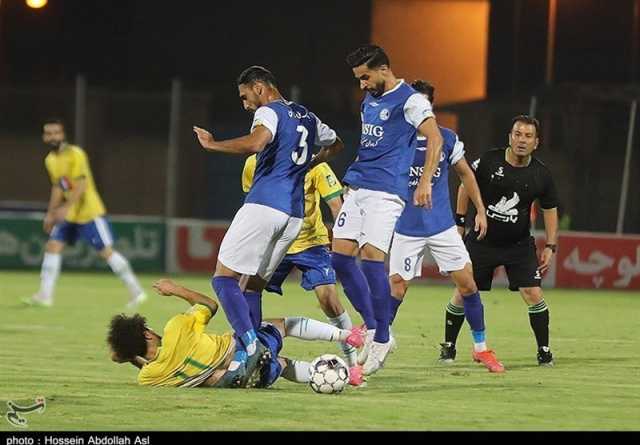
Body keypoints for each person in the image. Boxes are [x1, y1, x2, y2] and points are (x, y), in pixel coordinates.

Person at [193, 66, 344, 384]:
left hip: (263, 205)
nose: (246, 104)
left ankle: (249, 347)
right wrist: (307, 164)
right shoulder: (307, 116)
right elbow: (336, 145)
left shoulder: (269, 112)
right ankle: (255, 353)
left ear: (260, 88)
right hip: (293, 217)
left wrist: (212, 145)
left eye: (245, 96)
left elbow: (256, 143)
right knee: (253, 286)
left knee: (223, 280)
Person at [331, 45, 443, 376]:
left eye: (365, 77)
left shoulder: (411, 100)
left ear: (383, 69)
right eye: (358, 79)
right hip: (358, 186)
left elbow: (434, 138)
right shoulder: (371, 98)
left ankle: (381, 337)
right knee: (339, 258)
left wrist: (424, 182)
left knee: (371, 257)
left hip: (386, 192)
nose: (362, 85)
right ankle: (376, 328)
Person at [387, 81, 504, 373]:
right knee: (397, 289)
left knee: (468, 284)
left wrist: (480, 210)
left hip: (441, 226)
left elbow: (466, 174)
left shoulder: (447, 139)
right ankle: (378, 341)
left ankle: (481, 349)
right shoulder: (395, 140)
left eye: (425, 104)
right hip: (406, 227)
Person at [242, 155, 365, 385]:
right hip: (274, 241)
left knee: (328, 299)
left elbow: (337, 206)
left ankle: (353, 364)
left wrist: (344, 243)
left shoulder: (316, 164)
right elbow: (252, 202)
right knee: (246, 291)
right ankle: (247, 350)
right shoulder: (254, 163)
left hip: (311, 243)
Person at [107, 279, 364, 389]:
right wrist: (176, 289)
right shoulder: (176, 329)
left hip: (244, 378)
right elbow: (210, 305)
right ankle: (346, 336)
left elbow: (143, 366)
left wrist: (128, 355)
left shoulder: (150, 377)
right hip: (242, 349)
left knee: (282, 365)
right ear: (148, 335)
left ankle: (336, 377)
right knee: (282, 325)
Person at [453, 115, 559, 366]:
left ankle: (544, 351)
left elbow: (550, 208)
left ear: (536, 142)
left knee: (533, 293)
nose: (522, 140)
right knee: (463, 292)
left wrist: (551, 246)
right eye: (517, 134)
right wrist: (460, 222)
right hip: (482, 241)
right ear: (510, 137)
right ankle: (448, 347)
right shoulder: (489, 161)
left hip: (518, 245)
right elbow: (464, 186)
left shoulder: (541, 174)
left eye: (528, 136)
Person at [24, 118, 147, 309]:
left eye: (56, 132)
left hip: (90, 213)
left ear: (63, 134)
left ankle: (136, 291)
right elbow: (58, 186)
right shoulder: (50, 160)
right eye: (49, 133)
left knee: (105, 252)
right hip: (70, 215)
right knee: (53, 246)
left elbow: (82, 184)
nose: (53, 136)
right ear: (44, 137)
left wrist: (65, 208)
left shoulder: (75, 154)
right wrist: (50, 213)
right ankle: (45, 296)